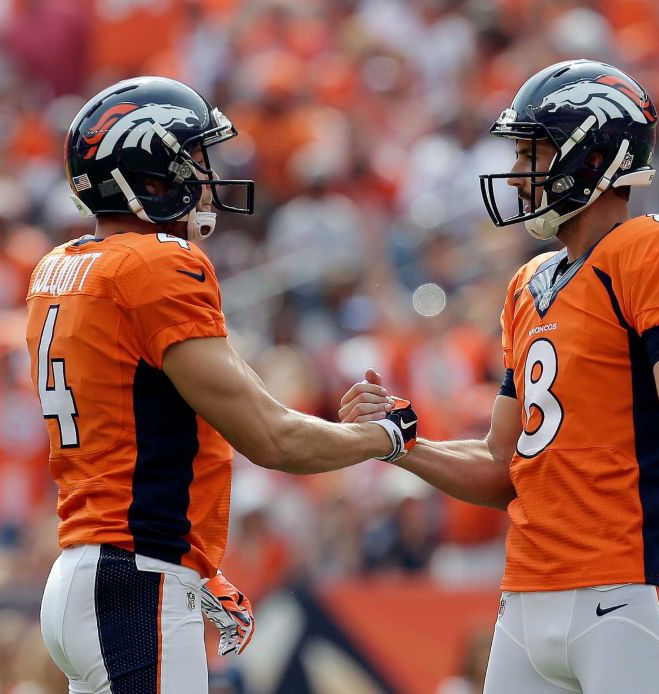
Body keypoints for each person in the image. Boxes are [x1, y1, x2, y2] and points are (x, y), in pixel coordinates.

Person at [339, 59, 659, 693]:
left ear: (595, 157)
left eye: (534, 152)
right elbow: (504, 466)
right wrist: (401, 441)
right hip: (525, 595)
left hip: (627, 584)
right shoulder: (530, 284)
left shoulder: (655, 249)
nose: (521, 173)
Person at [25, 76, 417, 694]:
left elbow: (153, 425)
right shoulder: (154, 264)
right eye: (193, 161)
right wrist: (386, 438)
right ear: (149, 176)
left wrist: (194, 564)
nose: (208, 179)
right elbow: (272, 439)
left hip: (97, 570)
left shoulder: (62, 266)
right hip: (134, 578)